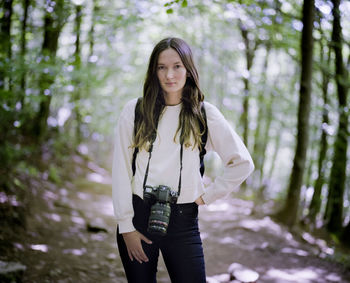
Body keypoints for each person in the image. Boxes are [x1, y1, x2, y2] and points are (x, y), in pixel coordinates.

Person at [112, 37, 254, 283]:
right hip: (138, 218)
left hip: (183, 221)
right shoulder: (135, 111)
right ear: (153, 71)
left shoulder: (204, 114)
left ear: (188, 69)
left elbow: (242, 162)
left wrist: (207, 195)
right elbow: (121, 171)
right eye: (161, 67)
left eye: (177, 66)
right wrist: (126, 226)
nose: (169, 74)